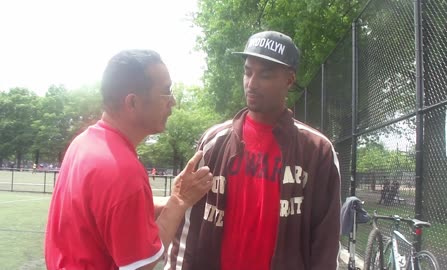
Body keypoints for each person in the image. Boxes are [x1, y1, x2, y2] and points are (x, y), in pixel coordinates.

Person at [166, 31, 341, 270]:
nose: (252, 83)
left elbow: (326, 241)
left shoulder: (317, 151)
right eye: (248, 72)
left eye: (265, 75)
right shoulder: (214, 142)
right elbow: (189, 222)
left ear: (289, 80)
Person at [44, 50, 213, 270]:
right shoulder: (122, 171)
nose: (172, 102)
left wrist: (173, 196)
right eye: (166, 92)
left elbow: (114, 212)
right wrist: (179, 201)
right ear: (132, 102)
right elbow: (142, 264)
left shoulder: (84, 143)